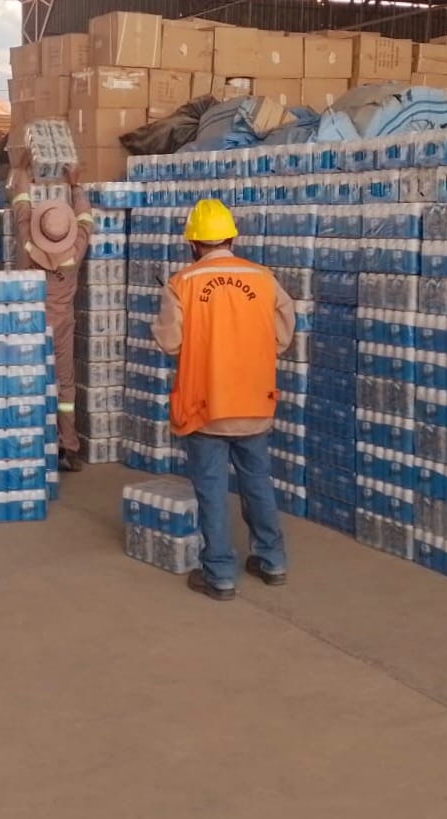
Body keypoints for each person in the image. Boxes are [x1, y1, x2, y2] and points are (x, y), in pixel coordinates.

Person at [153, 198, 295, 600]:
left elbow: (170, 342)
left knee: (211, 490)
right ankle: (273, 560)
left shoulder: (182, 283)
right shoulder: (264, 279)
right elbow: (282, 335)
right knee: (258, 483)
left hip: (206, 406)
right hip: (253, 401)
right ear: (232, 237)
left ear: (194, 243)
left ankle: (220, 575)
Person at [7, 153, 94, 472]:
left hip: (28, 323)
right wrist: (76, 185)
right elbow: (86, 220)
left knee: (27, 381)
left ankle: (27, 441)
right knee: (65, 385)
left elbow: (20, 204)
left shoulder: (28, 240)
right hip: (61, 325)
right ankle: (68, 445)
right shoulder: (74, 250)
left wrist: (23, 170)